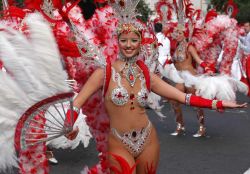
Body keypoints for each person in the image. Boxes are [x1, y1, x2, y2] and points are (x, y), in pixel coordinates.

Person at [64, 15, 246, 174]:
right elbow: (77, 102)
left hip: (148, 140)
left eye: (134, 40)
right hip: (119, 142)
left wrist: (219, 104)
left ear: (140, 43)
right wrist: (69, 124)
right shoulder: (104, 73)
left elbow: (183, 97)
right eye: (124, 40)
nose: (128, 45)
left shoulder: (146, 75)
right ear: (117, 41)